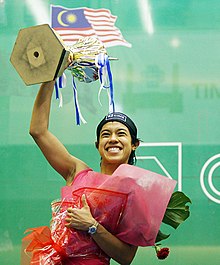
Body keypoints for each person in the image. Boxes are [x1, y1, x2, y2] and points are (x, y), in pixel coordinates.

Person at [25, 75, 141, 265]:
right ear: (98, 145)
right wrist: (50, 77)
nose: (112, 139)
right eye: (105, 134)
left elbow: (126, 257)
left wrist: (92, 226)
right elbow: (38, 131)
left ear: (134, 144)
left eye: (121, 134)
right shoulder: (77, 172)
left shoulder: (135, 195)